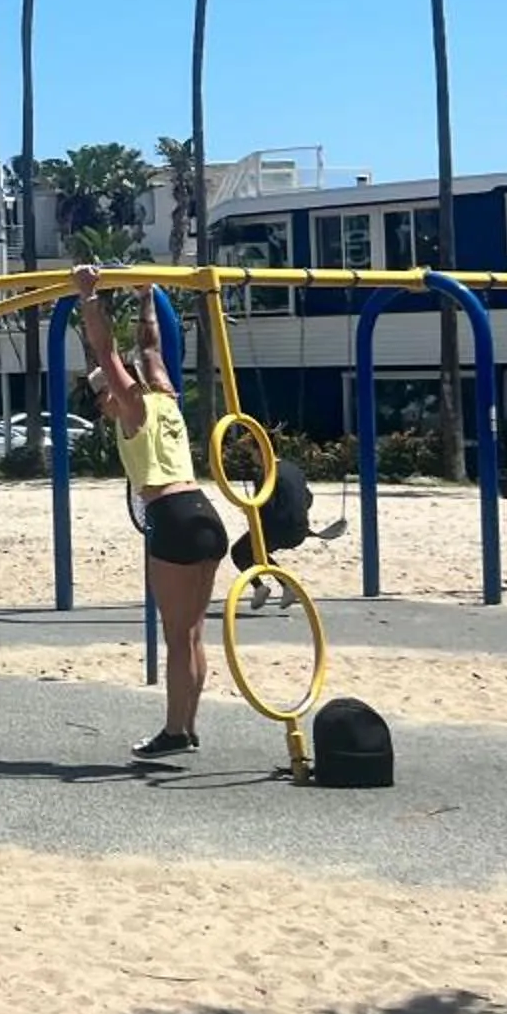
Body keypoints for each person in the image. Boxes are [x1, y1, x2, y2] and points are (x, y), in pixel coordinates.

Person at [71, 266, 222, 760]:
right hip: (204, 512)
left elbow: (107, 351)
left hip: (174, 518)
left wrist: (88, 295)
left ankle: (176, 732)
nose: (102, 403)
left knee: (178, 638)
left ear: (109, 397)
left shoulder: (133, 407)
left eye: (100, 395)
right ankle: (188, 727)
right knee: (194, 633)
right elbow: (151, 347)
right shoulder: (164, 396)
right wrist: (145, 296)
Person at [229, 451, 314, 608]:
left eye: (251, 452)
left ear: (259, 451)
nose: (251, 457)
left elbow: (264, 507)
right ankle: (282, 586)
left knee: (239, 552)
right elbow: (308, 499)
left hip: (279, 530)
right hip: (300, 528)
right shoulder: (294, 468)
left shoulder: (266, 474)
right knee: (255, 551)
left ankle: (263, 587)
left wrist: (249, 510)